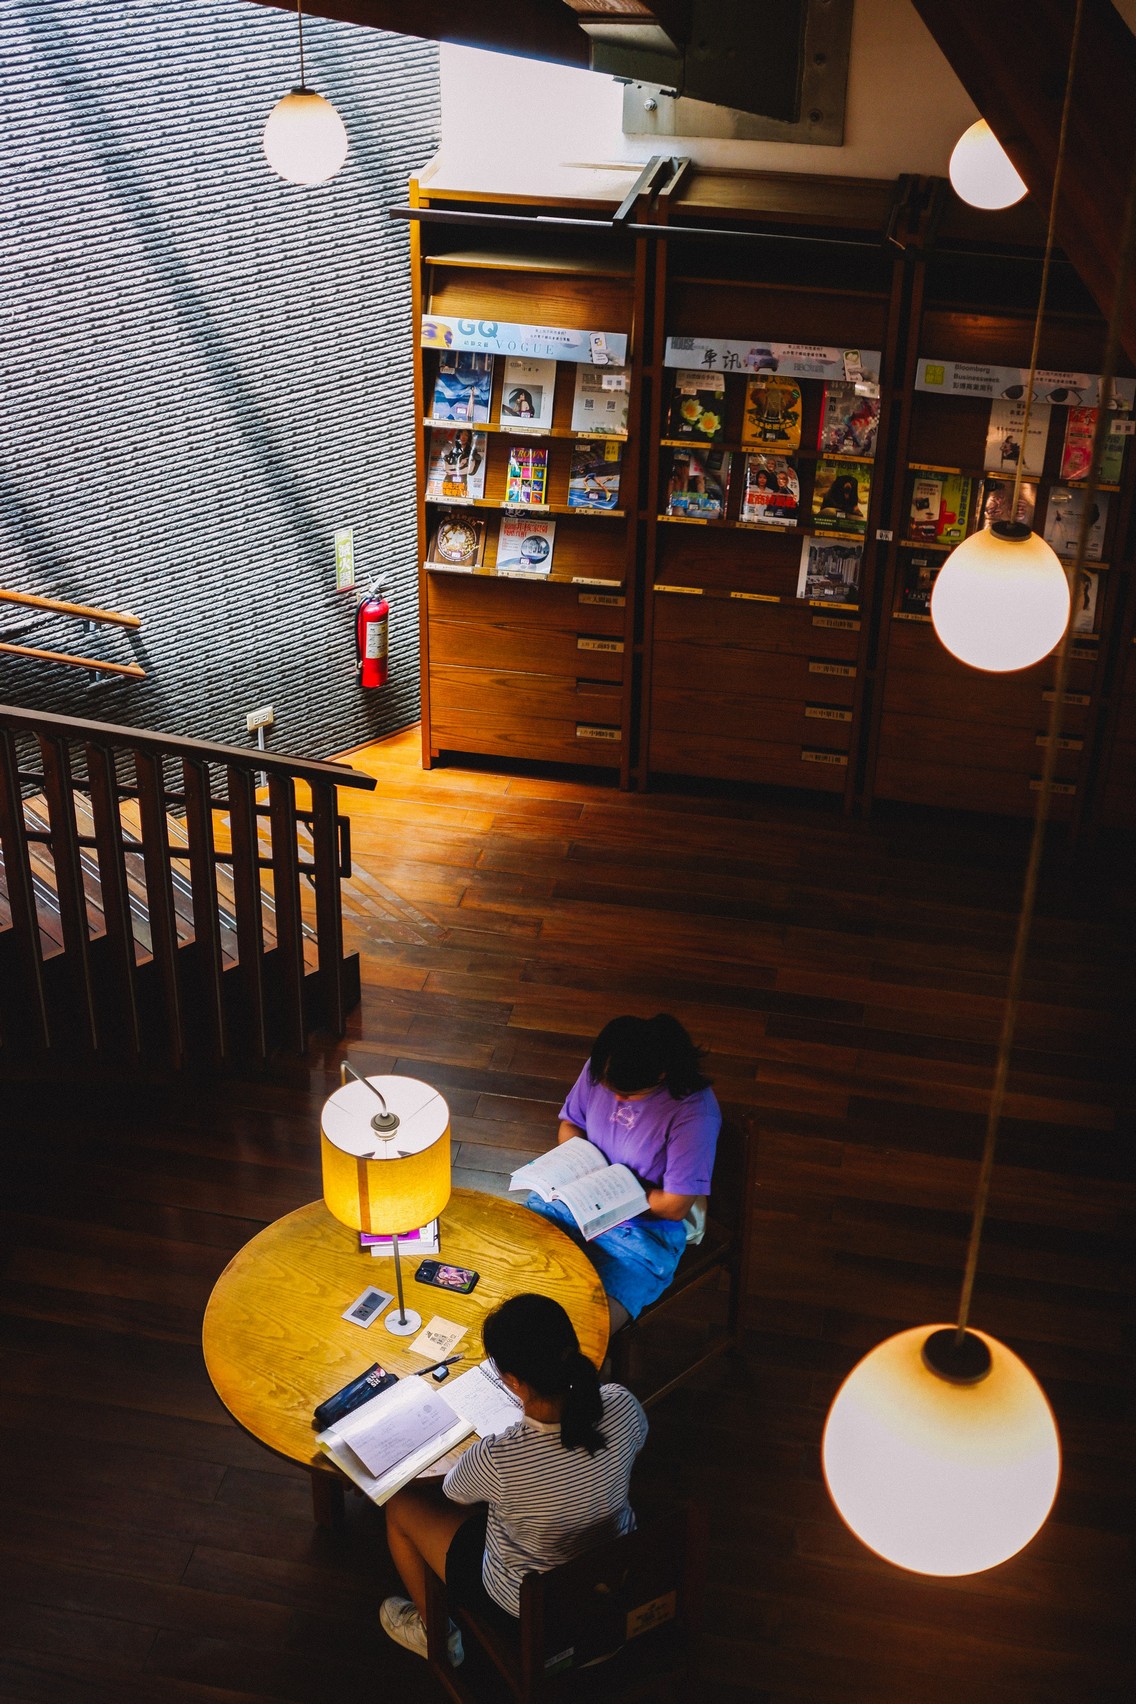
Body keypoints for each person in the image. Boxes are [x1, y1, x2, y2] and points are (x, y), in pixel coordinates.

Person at [380, 1294, 648, 1664]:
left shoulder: (499, 1457)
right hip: (611, 1578)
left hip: (526, 1607)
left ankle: (438, 1636)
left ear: (512, 1381)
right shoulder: (622, 1403)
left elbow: (452, 1490)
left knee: (400, 1504)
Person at [526, 1013, 721, 1332]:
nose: (616, 1099)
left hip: (640, 1234)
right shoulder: (604, 1066)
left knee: (583, 1328)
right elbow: (571, 1124)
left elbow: (674, 1206)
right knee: (511, 1266)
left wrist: (616, 1193)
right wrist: (581, 1166)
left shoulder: (694, 1114)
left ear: (660, 1074)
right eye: (608, 1088)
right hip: (574, 1201)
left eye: (627, 1094)